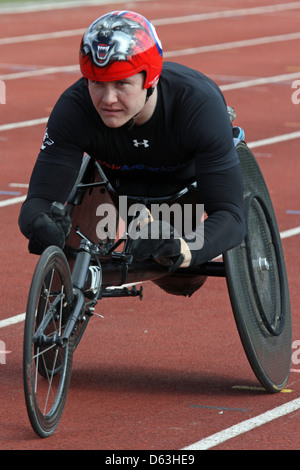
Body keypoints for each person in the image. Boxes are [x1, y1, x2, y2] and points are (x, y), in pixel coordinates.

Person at [18, 10, 246, 296]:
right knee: (61, 269)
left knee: (182, 281)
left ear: (149, 79)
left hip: (183, 190)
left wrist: (182, 247)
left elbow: (232, 217)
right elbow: (38, 201)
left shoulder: (198, 106)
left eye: (122, 83)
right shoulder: (73, 109)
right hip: (118, 186)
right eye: (96, 82)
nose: (108, 99)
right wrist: (40, 224)